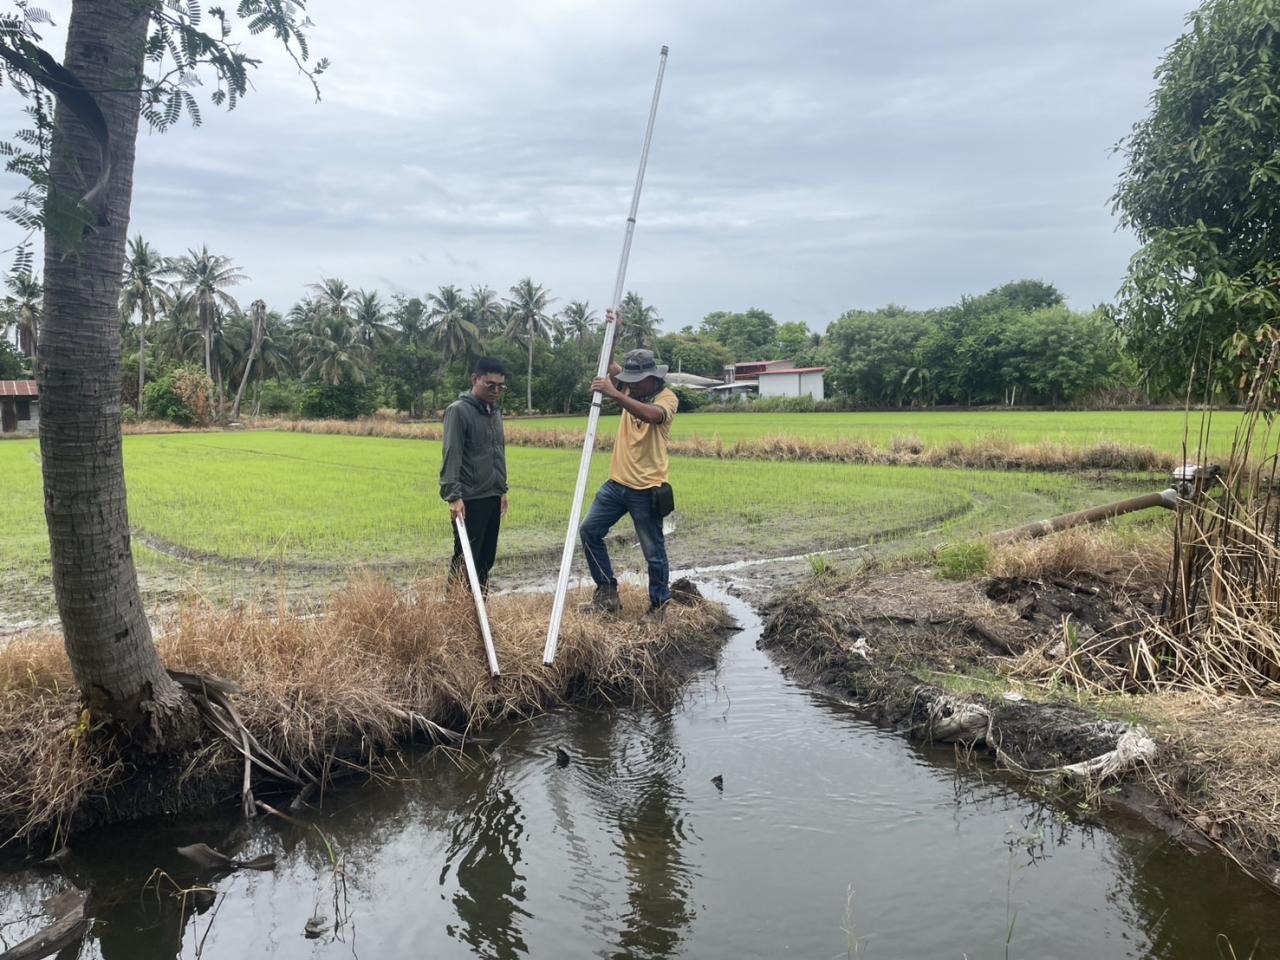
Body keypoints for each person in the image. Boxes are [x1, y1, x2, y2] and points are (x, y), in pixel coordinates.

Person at [579, 332, 679, 619]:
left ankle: (659, 605)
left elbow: (652, 415)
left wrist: (616, 393)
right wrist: (615, 329)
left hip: (647, 489)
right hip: (617, 484)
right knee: (590, 531)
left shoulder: (667, 398)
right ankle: (607, 592)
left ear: (652, 378)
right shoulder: (631, 389)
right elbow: (607, 362)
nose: (631, 386)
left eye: (636, 383)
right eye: (628, 382)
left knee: (653, 551)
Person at [440, 357, 509, 592]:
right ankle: (454, 613)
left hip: (492, 494)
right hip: (470, 499)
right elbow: (452, 453)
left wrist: (502, 490)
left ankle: (478, 612)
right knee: (465, 559)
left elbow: (498, 452)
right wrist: (453, 496)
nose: (496, 391)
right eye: (490, 385)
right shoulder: (458, 411)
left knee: (485, 559)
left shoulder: (494, 412)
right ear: (475, 379)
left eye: (501, 386)